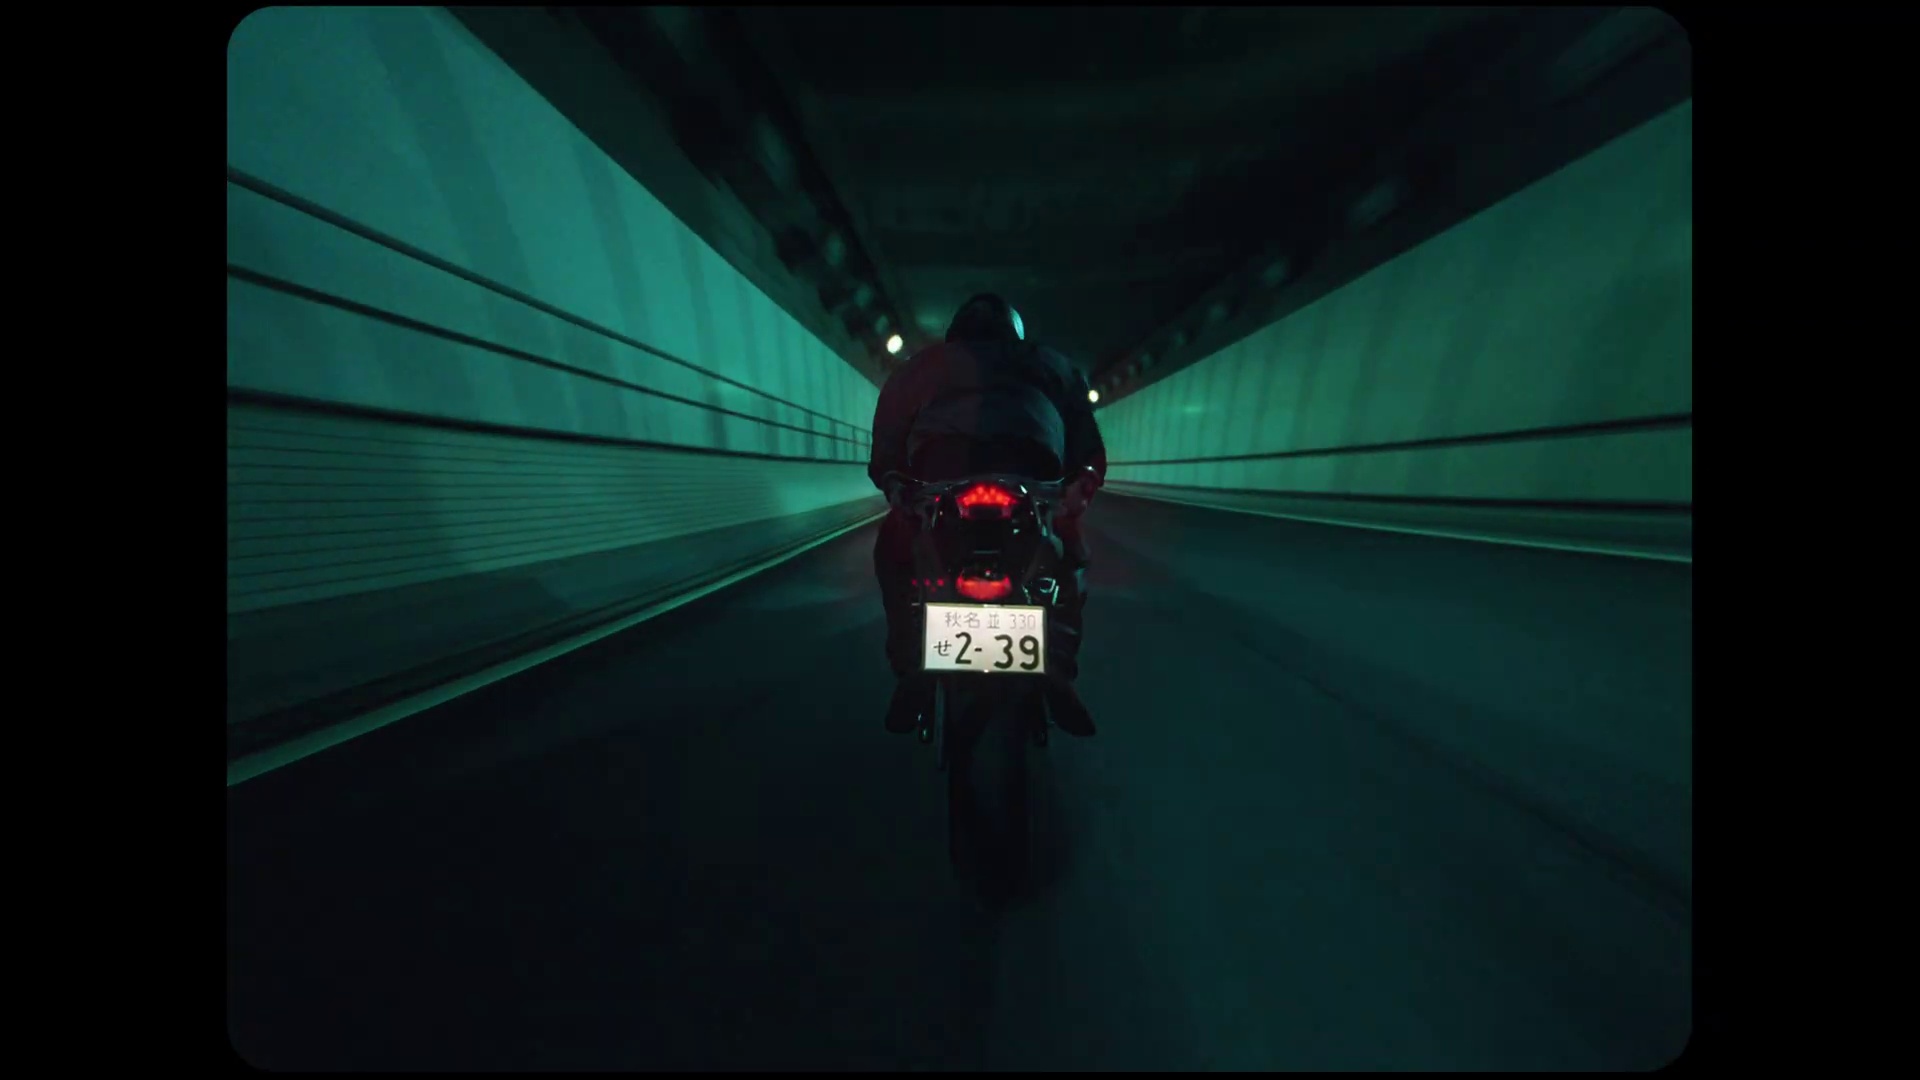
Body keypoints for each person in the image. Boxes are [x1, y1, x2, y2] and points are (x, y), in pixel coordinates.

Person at [868, 293, 1107, 738]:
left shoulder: (922, 367)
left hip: (943, 476)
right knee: (1069, 552)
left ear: (954, 334)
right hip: (1031, 475)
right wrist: (1081, 486)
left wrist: (896, 483)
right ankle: (1058, 668)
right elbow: (1085, 442)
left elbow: (889, 437)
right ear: (1015, 334)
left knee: (895, 551)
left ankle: (910, 666)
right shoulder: (1050, 363)